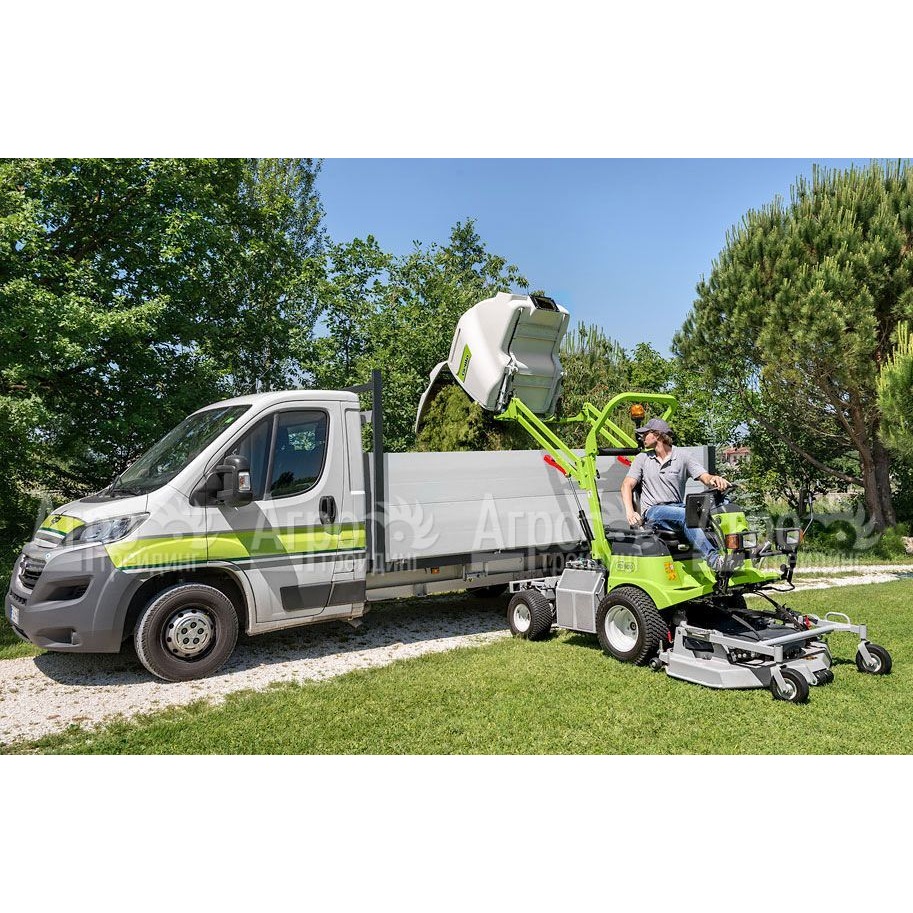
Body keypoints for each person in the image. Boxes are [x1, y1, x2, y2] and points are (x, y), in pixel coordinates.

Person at [620, 418, 731, 572]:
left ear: (657, 435)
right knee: (688, 515)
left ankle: (734, 554)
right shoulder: (642, 459)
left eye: (645, 434)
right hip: (654, 511)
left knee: (723, 504)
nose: (642, 437)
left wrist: (715, 480)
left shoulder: (683, 456)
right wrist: (630, 512)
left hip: (677, 508)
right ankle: (714, 560)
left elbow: (705, 477)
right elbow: (626, 485)